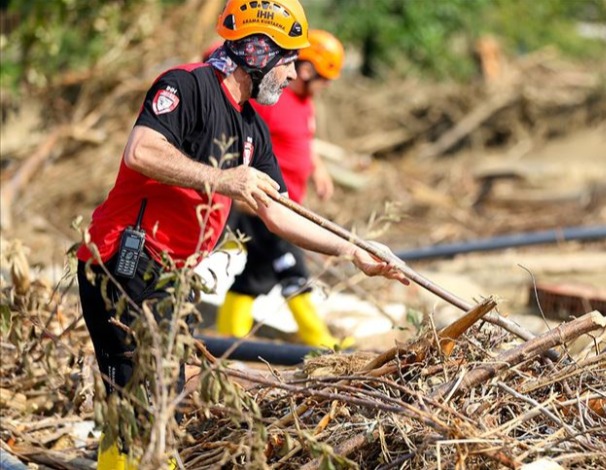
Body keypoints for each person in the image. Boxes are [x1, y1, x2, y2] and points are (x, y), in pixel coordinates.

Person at [75, 1, 407, 467]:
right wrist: (225, 179)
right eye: (288, 58)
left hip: (172, 275)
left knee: (149, 398)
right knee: (143, 396)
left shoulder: (252, 126)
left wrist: (354, 249)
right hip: (125, 261)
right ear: (258, 50)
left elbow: (279, 213)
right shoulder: (185, 86)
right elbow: (141, 150)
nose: (292, 73)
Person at [214, 30, 351, 349]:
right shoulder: (273, 99)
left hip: (291, 204)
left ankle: (226, 340)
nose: (328, 86)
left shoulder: (305, 102)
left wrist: (318, 168)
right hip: (264, 204)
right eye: (325, 78)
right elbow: (240, 133)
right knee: (293, 269)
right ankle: (321, 344)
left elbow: (305, 138)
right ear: (307, 70)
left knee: (256, 275)